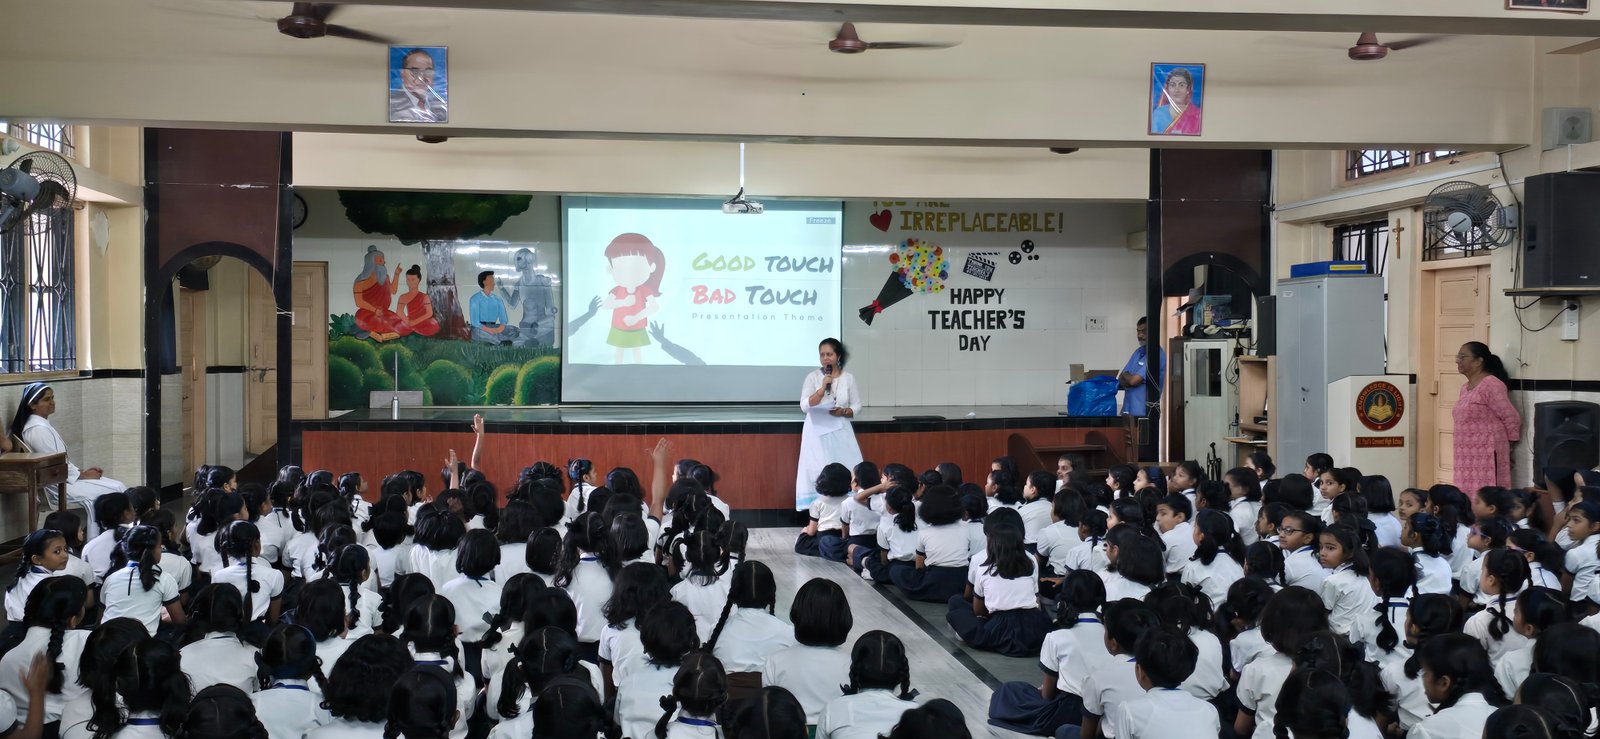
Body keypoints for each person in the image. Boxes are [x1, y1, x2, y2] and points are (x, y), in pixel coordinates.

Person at [9, 383, 126, 519]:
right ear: (32, 405)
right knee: (117, 490)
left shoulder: (40, 425)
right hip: (58, 488)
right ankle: (108, 530)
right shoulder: (37, 430)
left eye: (52, 398)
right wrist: (82, 475)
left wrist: (81, 472)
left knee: (118, 487)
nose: (52, 402)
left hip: (63, 479)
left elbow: (59, 461)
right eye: (46, 399)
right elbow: (54, 463)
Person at [796, 338, 864, 511]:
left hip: (840, 430)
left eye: (829, 354)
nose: (825, 358)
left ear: (838, 356)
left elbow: (857, 406)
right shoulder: (813, 377)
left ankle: (846, 509)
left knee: (845, 464)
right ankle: (818, 511)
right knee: (818, 466)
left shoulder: (848, 378)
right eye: (822, 355)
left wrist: (844, 411)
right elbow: (804, 406)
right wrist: (821, 390)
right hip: (816, 432)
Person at [1453, 341, 1521, 497]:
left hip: (1487, 453)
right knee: (1465, 494)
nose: (1458, 361)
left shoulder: (1492, 384)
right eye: (1458, 357)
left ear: (1478, 361)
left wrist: (1509, 448)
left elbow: (1511, 417)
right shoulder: (1465, 388)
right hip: (1465, 454)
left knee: (1488, 496)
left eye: (1462, 357)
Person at [600, 233, 665, 364]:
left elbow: (654, 307)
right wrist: (622, 302)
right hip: (618, 327)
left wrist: (636, 318)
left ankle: (638, 372)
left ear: (652, 267)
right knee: (618, 354)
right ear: (610, 269)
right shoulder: (617, 290)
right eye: (620, 267)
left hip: (637, 327)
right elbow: (605, 305)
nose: (628, 271)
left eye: (636, 266)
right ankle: (617, 372)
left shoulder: (644, 290)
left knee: (637, 354)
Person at [500, 247, 556, 346]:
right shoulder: (519, 284)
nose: (517, 261)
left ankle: (535, 342)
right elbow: (512, 305)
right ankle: (528, 342)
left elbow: (551, 314)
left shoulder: (543, 282)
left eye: (519, 258)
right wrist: (501, 288)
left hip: (542, 329)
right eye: (517, 259)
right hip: (526, 329)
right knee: (517, 344)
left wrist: (537, 325)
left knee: (529, 343)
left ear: (529, 258)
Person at [351, 246, 408, 342]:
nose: (384, 262)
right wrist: (374, 310)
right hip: (367, 314)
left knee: (402, 325)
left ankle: (381, 335)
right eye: (381, 260)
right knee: (377, 322)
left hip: (384, 313)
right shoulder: (360, 282)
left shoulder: (384, 278)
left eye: (383, 260)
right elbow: (359, 302)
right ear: (371, 263)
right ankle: (371, 333)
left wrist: (396, 274)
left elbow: (393, 291)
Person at [1117, 318, 1163, 417]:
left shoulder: (1156, 355)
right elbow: (1121, 377)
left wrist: (1129, 378)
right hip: (1127, 411)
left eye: (1144, 331)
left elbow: (1134, 381)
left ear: (1153, 331)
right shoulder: (1138, 352)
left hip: (1144, 413)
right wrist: (1129, 378)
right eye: (1138, 331)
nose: (1139, 335)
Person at [388, 48, 447, 123]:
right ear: (402, 74)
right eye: (415, 71)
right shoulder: (391, 104)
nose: (422, 78)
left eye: (428, 71)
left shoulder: (441, 104)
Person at [1150, 66, 1202, 135]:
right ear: (1167, 88)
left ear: (1188, 89)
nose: (1177, 90)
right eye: (1172, 85)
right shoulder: (1158, 114)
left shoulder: (1197, 115)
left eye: (1181, 85)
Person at [470, 271, 519, 344]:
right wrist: (489, 330)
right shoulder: (474, 299)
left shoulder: (498, 300)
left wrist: (499, 329)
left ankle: (497, 339)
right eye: (491, 280)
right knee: (476, 332)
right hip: (480, 328)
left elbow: (504, 320)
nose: (493, 283)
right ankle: (499, 342)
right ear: (484, 282)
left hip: (494, 327)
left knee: (515, 330)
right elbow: (475, 322)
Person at [396, 265, 441, 337]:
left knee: (434, 325)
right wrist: (408, 322)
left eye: (413, 280)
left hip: (422, 321)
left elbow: (429, 313)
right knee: (397, 325)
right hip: (410, 320)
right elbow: (399, 312)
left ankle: (412, 329)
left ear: (419, 280)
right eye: (408, 280)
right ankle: (411, 329)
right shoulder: (403, 297)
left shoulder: (424, 297)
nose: (410, 282)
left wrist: (415, 322)